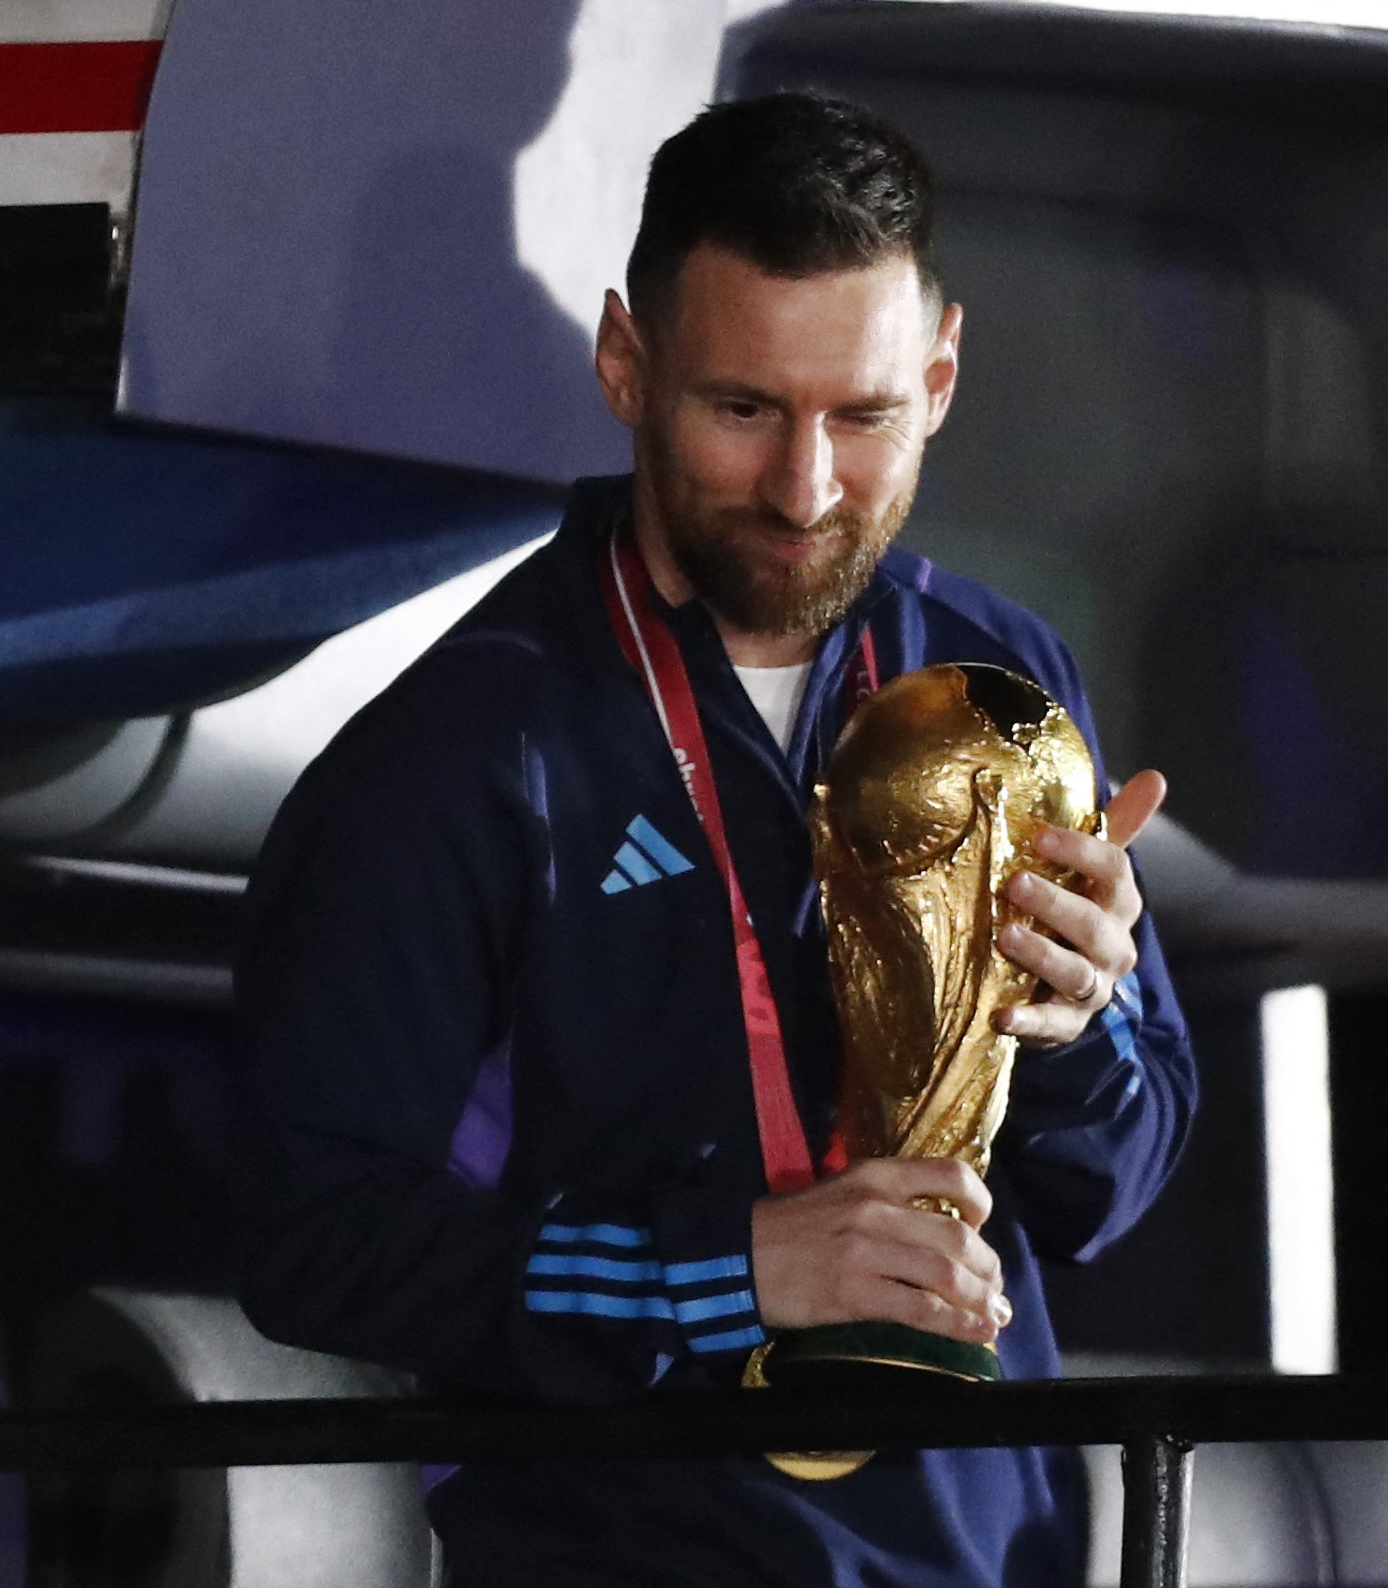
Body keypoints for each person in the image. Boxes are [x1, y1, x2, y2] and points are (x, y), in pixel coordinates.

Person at [233, 93, 1197, 1587]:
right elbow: (313, 1237)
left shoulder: (1003, 677)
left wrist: (1077, 1032)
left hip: (995, 1559)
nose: (805, 491)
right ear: (627, 365)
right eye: (741, 410)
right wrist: (727, 1265)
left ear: (939, 373)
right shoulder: (461, 751)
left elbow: (1107, 1190)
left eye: (861, 415)